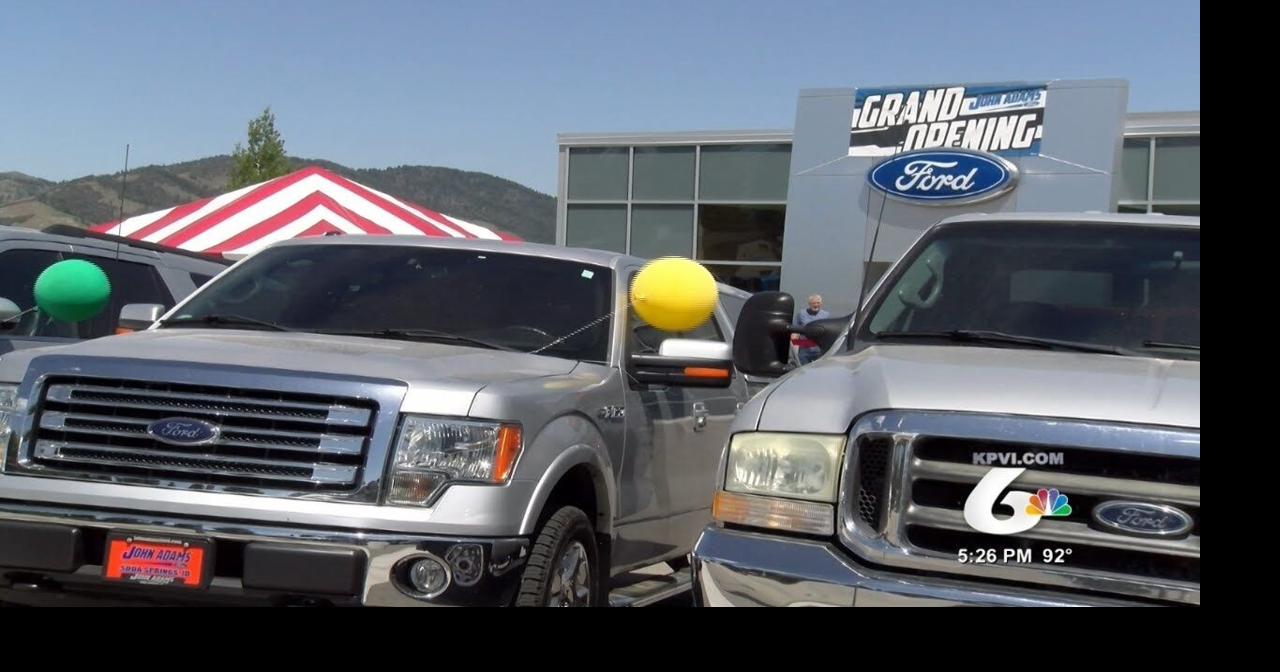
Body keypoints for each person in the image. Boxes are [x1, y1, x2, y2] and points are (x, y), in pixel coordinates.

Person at [792, 294, 831, 365]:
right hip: (804, 347)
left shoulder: (826, 314)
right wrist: (794, 348)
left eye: (818, 303)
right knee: (803, 370)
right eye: (813, 303)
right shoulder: (801, 314)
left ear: (821, 304)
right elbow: (795, 331)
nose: (816, 305)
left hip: (819, 348)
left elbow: (828, 333)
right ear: (809, 304)